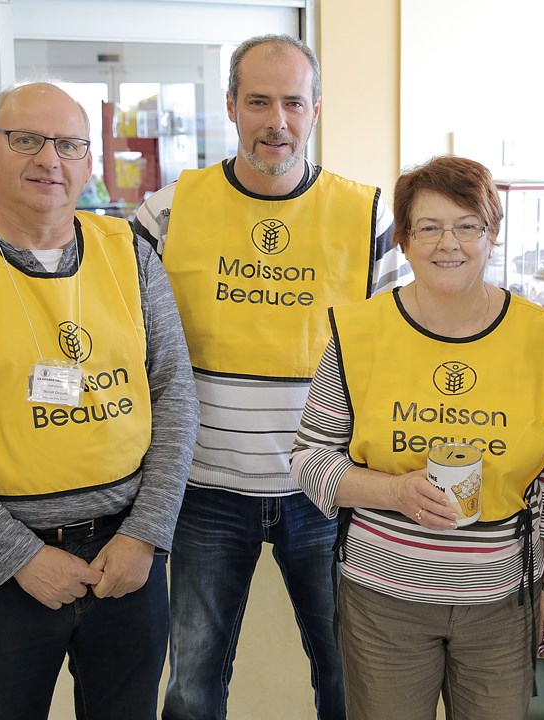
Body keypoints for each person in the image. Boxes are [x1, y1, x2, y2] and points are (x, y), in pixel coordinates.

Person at [0, 82, 199, 719]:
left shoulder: (130, 255)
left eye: (70, 145)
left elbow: (175, 392)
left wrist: (146, 536)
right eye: (27, 140)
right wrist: (17, 556)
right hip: (1, 573)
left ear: (88, 162)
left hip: (125, 562)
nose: (50, 160)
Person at [130, 34, 405, 720]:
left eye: (292, 102)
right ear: (231, 106)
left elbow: (396, 358)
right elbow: (126, 351)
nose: (275, 120)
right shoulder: (165, 213)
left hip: (326, 489)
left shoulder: (370, 218)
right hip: (202, 490)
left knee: (349, 673)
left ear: (315, 110)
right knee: (192, 680)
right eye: (258, 101)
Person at [291, 155, 544, 720]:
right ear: (403, 239)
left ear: (491, 235)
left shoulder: (542, 338)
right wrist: (394, 492)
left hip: (500, 602)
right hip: (383, 600)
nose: (448, 243)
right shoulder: (361, 333)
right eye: (428, 227)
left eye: (467, 225)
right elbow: (308, 459)